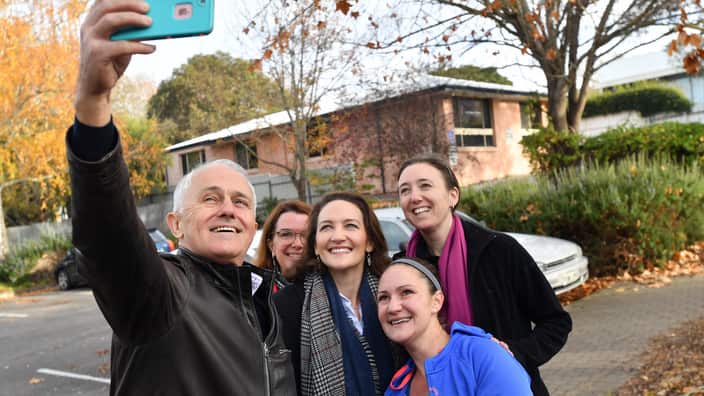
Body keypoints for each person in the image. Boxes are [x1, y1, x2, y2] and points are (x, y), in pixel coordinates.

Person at [67, 1, 295, 394]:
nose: (228, 208)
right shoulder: (163, 294)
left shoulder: (268, 298)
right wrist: (93, 105)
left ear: (253, 226)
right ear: (176, 224)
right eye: (210, 198)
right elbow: (108, 237)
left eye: (241, 202)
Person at [396, 153, 572, 396]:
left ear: (452, 196)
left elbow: (556, 322)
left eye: (425, 185)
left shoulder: (499, 251)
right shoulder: (404, 267)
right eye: (405, 190)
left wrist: (514, 352)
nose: (414, 197)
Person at [274, 192, 402, 396]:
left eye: (350, 225)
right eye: (326, 227)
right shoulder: (285, 306)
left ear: (369, 241)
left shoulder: (396, 296)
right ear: (315, 245)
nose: (338, 236)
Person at [378, 257, 533, 396]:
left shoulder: (483, 357)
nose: (393, 307)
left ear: (436, 301)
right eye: (383, 297)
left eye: (406, 292)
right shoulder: (396, 389)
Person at [255, 200, 312, 291]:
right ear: (271, 246)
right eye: (286, 234)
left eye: (305, 235)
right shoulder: (253, 296)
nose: (297, 244)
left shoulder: (336, 291)